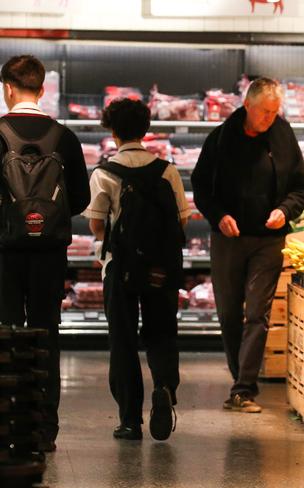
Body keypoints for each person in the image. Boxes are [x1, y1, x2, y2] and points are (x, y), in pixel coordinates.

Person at [192, 77, 304, 413]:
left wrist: (283, 210)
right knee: (229, 313)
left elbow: (301, 188)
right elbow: (200, 187)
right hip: (228, 238)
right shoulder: (220, 139)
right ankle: (238, 378)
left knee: (257, 314)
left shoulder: (284, 136)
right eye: (264, 113)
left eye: (275, 112)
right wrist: (219, 216)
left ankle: (244, 389)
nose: (269, 119)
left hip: (269, 239)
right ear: (247, 106)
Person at [83, 98, 190, 441]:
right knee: (162, 333)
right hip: (161, 268)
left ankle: (129, 420)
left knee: (124, 341)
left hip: (121, 269)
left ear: (112, 131)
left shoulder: (104, 173)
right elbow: (182, 219)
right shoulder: (167, 170)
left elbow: (98, 226)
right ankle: (164, 387)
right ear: (146, 130)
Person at [0, 55, 90, 452]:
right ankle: (44, 429)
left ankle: (7, 424)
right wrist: (44, 218)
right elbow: (82, 200)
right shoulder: (65, 138)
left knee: (5, 333)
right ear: (42, 89)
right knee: (46, 334)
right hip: (50, 254)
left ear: (7, 88)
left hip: (3, 253)